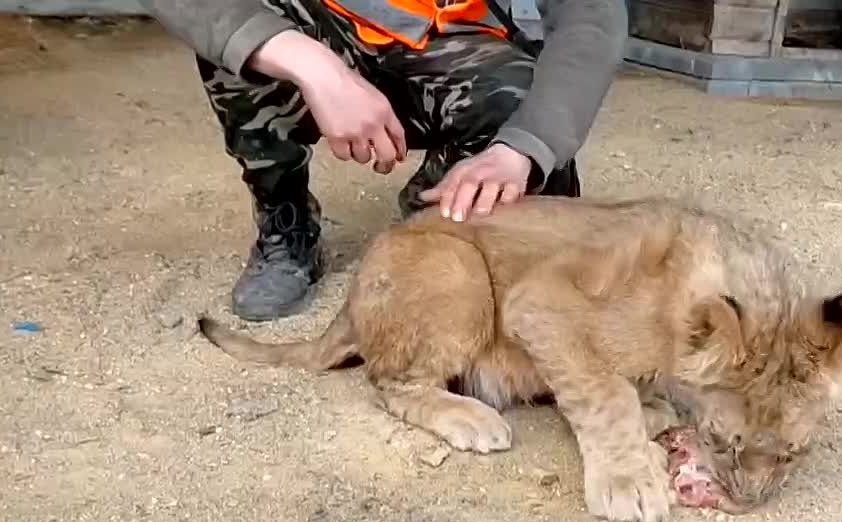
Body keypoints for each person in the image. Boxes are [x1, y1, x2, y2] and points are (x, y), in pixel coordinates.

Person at [140, 0, 628, 322]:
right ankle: (284, 219)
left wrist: (523, 147)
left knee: (521, 112)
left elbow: (592, 16)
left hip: (448, 40)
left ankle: (439, 213)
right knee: (239, 30)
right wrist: (314, 68)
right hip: (313, 28)